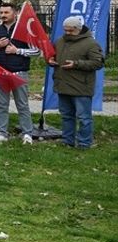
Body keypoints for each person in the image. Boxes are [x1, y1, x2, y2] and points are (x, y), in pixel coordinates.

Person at [0, 2, 40, 144]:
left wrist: (17, 51)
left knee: (22, 104)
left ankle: (27, 133)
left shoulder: (24, 30)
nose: (3, 15)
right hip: (0, 73)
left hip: (19, 72)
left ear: (15, 13)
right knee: (2, 104)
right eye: (1, 13)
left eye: (6, 12)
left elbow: (36, 51)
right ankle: (1, 132)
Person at [48, 16, 104, 149]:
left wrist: (76, 64)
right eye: (65, 30)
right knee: (66, 116)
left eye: (70, 30)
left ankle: (84, 143)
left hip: (81, 87)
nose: (67, 33)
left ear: (78, 29)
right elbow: (53, 56)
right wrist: (50, 60)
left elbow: (98, 63)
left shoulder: (91, 43)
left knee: (84, 118)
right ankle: (68, 141)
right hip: (63, 85)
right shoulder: (60, 41)